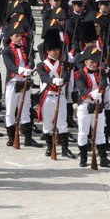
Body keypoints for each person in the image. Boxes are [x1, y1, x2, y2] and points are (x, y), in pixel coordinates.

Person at [74, 45, 110, 169]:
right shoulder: (79, 74)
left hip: (98, 105)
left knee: (100, 132)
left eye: (96, 62)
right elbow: (81, 88)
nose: (94, 64)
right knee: (83, 132)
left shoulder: (101, 72)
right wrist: (91, 94)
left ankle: (103, 158)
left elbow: (103, 83)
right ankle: (83, 157)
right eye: (92, 62)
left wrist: (100, 90)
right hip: (85, 105)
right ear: (86, 61)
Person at [37, 30, 75, 159]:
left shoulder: (63, 64)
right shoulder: (41, 65)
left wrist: (62, 80)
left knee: (62, 123)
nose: (56, 52)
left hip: (60, 96)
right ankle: (50, 147)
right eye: (53, 50)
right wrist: (53, 80)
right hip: (47, 97)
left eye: (57, 49)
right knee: (47, 124)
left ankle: (65, 149)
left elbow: (65, 76)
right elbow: (43, 78)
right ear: (47, 51)